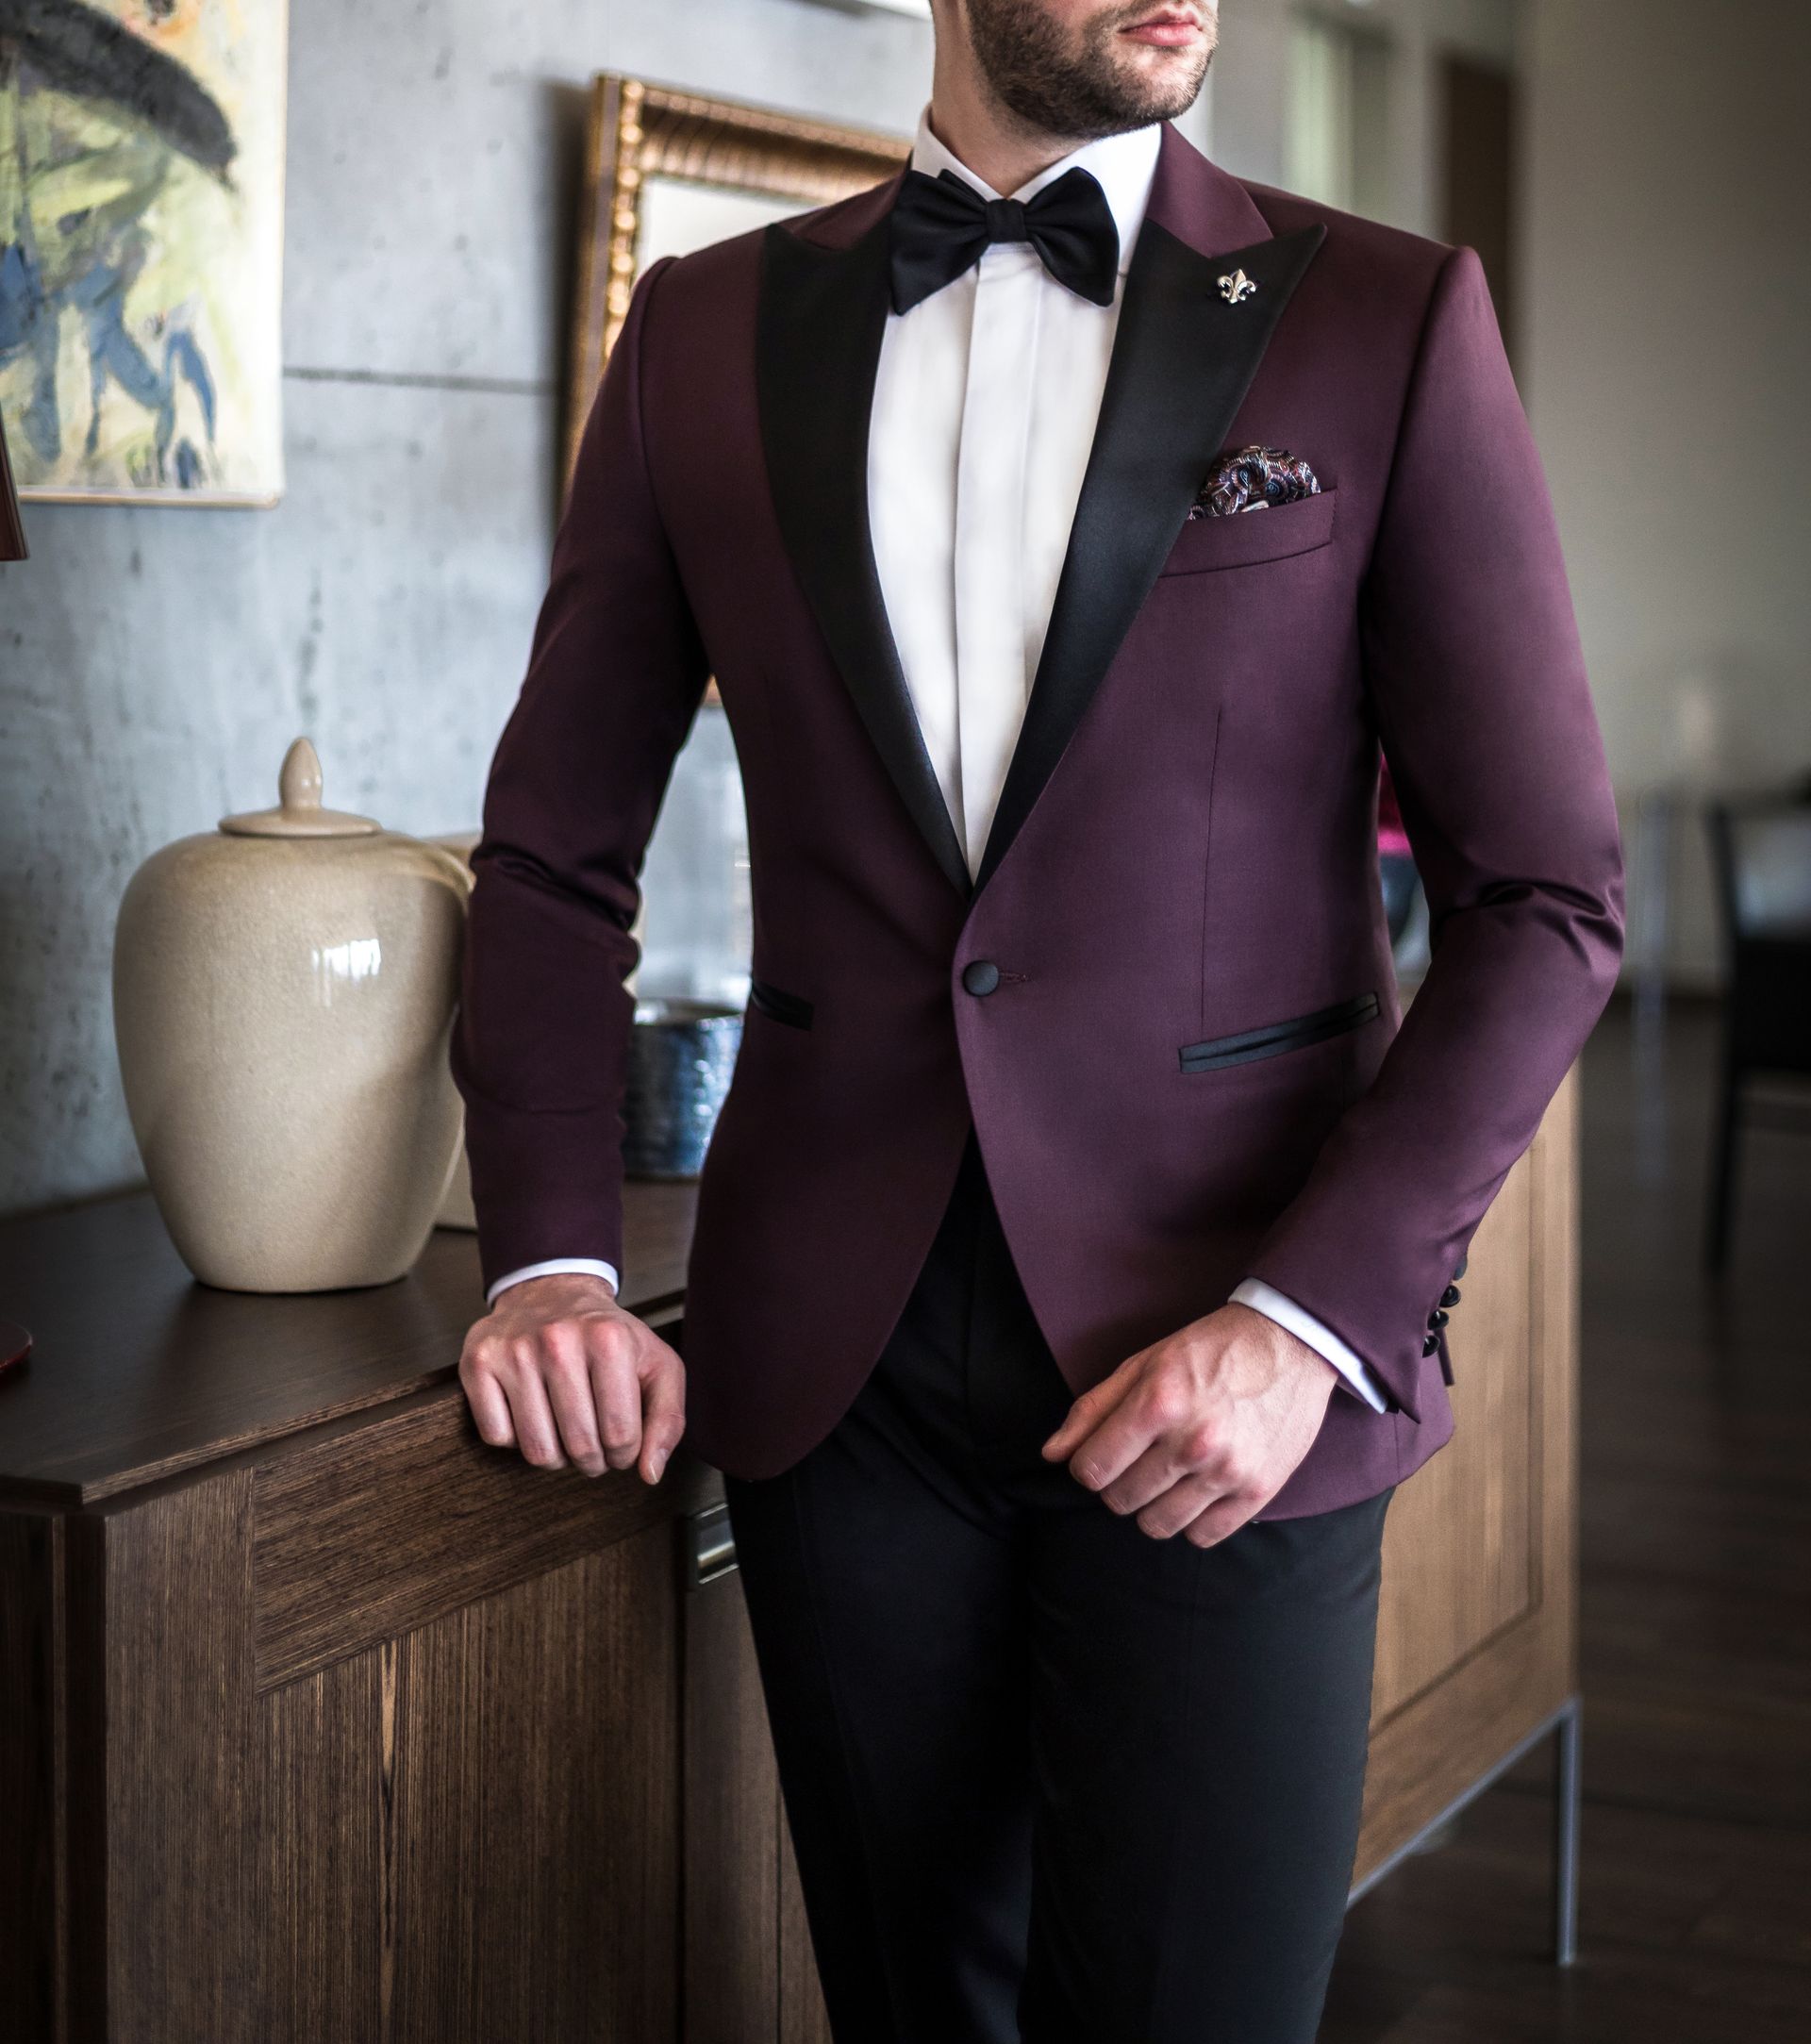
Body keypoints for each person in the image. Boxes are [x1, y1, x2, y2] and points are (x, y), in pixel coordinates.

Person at [449, 2, 1625, 2036]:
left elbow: (1548, 898)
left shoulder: (1383, 318)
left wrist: (1305, 1326)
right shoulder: (701, 336)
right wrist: (548, 1253)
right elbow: (553, 856)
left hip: (1226, 1366)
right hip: (841, 1381)